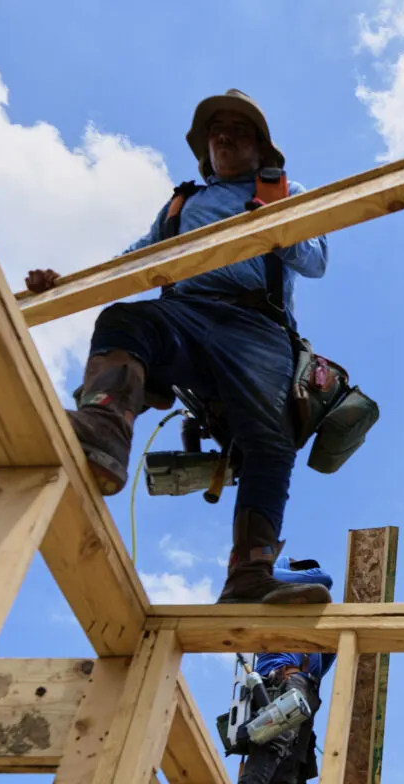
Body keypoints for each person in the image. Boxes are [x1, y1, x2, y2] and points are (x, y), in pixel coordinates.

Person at [24, 90, 330, 605]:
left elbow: (316, 260)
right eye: (216, 131)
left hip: (254, 326)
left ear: (262, 148)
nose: (224, 137)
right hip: (185, 316)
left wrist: (275, 222)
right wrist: (65, 284)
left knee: (271, 440)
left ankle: (250, 575)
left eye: (238, 130)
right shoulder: (182, 205)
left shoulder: (283, 191)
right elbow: (131, 263)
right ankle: (103, 431)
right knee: (126, 320)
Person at [236, 602, 335, 784]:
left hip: (306, 688)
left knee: (289, 770)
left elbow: (328, 656)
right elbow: (319, 582)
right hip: (284, 679)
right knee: (274, 741)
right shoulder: (284, 602)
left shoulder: (316, 642)